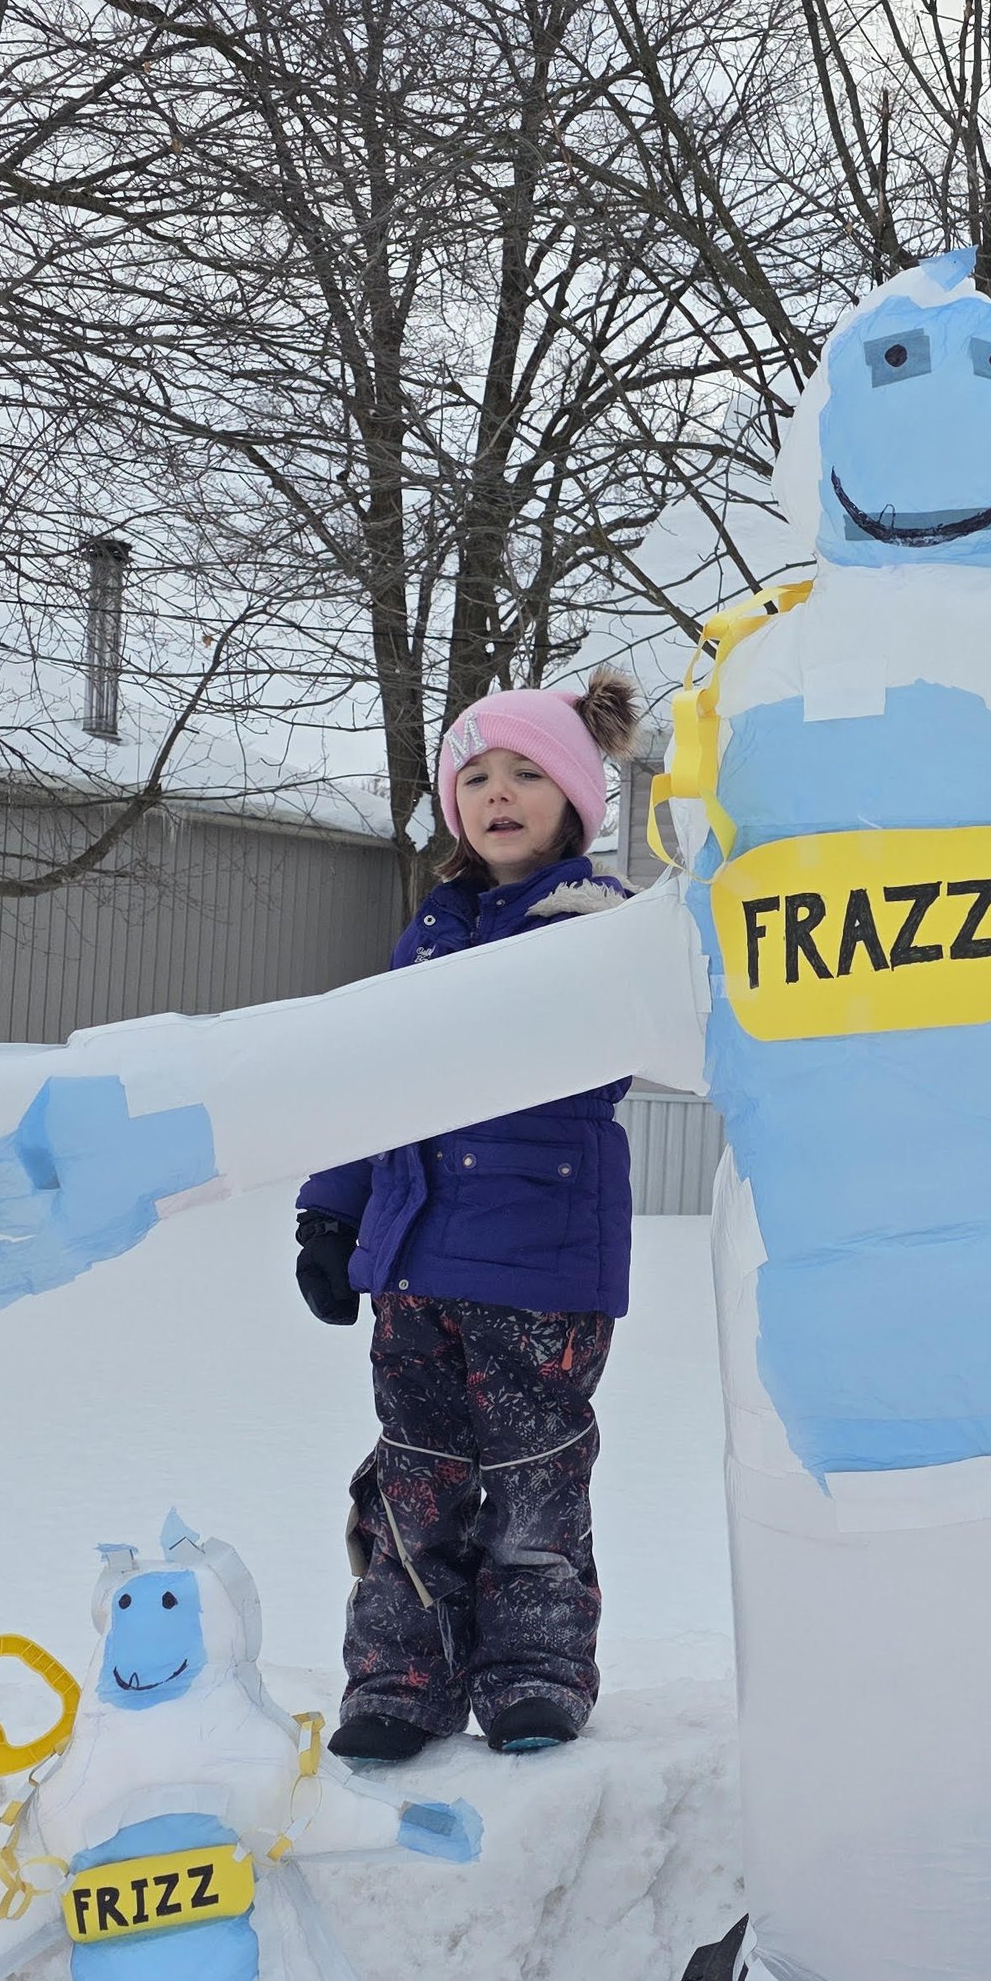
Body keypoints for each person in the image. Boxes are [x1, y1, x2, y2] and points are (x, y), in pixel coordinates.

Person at [295, 672, 643, 1764]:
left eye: (527, 773)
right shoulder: (431, 933)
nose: (498, 794)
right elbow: (373, 1082)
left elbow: (603, 1073)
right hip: (413, 1259)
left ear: (577, 795)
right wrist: (330, 1218)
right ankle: (402, 1679)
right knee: (416, 1469)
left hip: (540, 1261)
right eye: (477, 777)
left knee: (534, 1481)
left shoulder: (599, 925)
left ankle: (535, 1672)